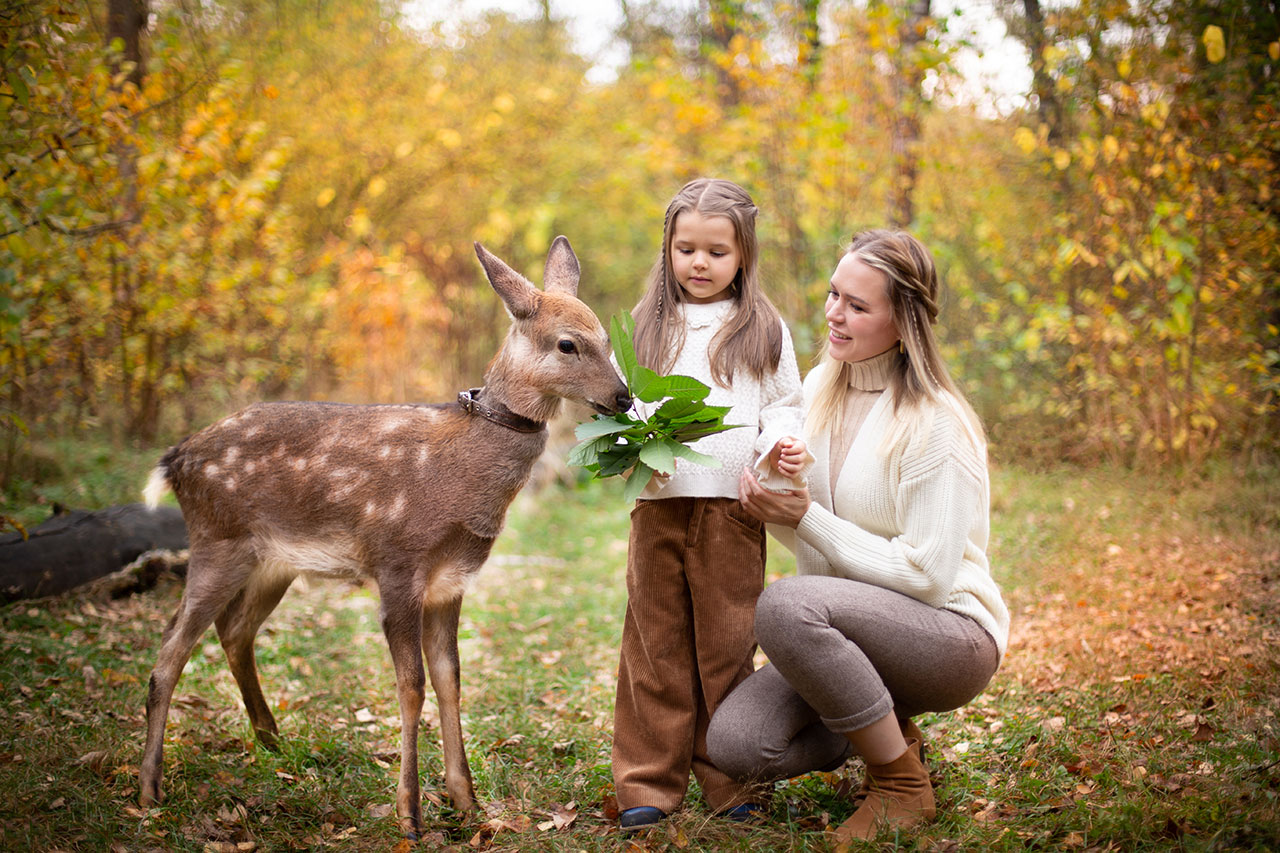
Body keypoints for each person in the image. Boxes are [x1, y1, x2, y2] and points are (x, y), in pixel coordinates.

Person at [705, 229, 1010, 844]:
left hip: (948, 637)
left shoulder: (936, 424)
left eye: (857, 305)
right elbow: (826, 545)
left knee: (787, 604)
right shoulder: (818, 390)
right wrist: (776, 508)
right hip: (848, 633)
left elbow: (927, 576)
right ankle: (888, 726)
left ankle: (899, 782)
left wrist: (803, 517)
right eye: (833, 294)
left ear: (904, 322)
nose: (834, 314)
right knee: (739, 745)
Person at [611, 178, 811, 832]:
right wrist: (628, 438)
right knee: (655, 641)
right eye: (685, 248)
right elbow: (618, 401)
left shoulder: (761, 327)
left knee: (726, 644)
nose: (699, 263)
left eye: (716, 252)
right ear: (667, 249)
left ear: (743, 255)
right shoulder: (646, 323)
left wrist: (781, 445)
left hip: (732, 512)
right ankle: (647, 778)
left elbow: (785, 404)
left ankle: (730, 776)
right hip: (659, 505)